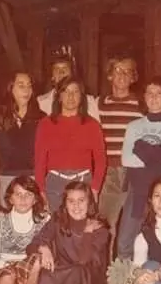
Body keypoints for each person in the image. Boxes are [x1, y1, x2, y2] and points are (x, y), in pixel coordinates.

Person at [27, 181, 110, 284]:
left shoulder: (100, 229)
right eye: (71, 201)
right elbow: (32, 244)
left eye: (81, 200)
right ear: (65, 203)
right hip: (64, 282)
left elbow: (84, 260)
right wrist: (43, 247)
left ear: (90, 202)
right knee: (44, 273)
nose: (76, 206)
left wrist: (87, 232)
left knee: (79, 270)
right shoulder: (58, 221)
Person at [119, 76, 161, 260]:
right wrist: (158, 150)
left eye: (159, 93)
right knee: (126, 239)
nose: (154, 98)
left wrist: (140, 147)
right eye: (149, 93)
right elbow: (126, 159)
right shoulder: (134, 126)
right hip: (138, 186)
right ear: (144, 97)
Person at [34, 76, 107, 212]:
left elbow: (101, 160)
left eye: (75, 92)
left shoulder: (92, 125)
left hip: (83, 181)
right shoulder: (45, 124)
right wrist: (41, 190)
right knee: (56, 227)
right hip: (55, 184)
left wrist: (95, 188)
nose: (71, 96)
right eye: (66, 92)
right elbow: (40, 161)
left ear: (81, 97)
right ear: (59, 96)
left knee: (81, 229)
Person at [95, 55, 145, 253]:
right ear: (109, 76)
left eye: (127, 71)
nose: (122, 76)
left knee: (132, 229)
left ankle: (127, 278)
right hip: (109, 174)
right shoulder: (100, 104)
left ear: (133, 77)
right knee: (105, 226)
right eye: (117, 70)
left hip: (134, 173)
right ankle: (104, 276)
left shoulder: (141, 105)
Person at [0, 70, 43, 206]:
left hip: (33, 177)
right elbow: (2, 152)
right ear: (10, 88)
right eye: (21, 85)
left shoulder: (41, 118)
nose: (26, 90)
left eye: (29, 86)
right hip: (8, 176)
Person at [36, 54, 99, 121]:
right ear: (52, 76)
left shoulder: (89, 101)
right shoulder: (41, 102)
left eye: (65, 68)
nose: (61, 72)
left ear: (72, 74)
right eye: (56, 69)